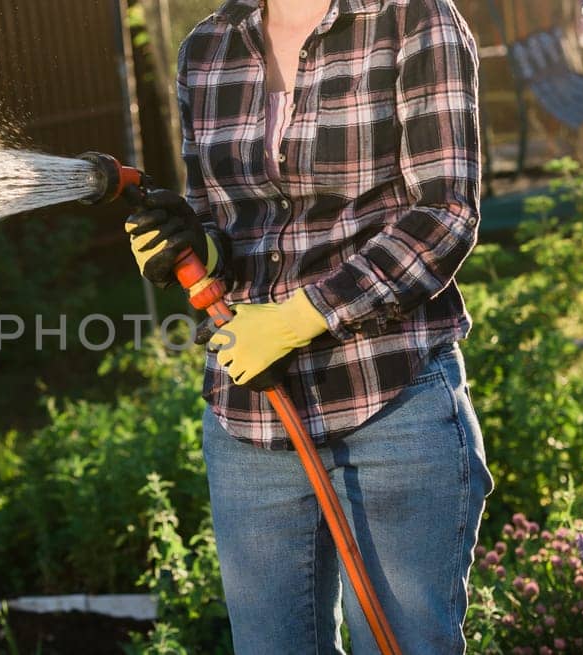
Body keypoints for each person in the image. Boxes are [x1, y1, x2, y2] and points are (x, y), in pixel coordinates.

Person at [124, 0, 493, 652]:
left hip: (388, 398)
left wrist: (303, 316)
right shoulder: (206, 49)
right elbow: (220, 218)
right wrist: (191, 247)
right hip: (251, 415)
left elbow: (444, 215)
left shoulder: (414, 19)